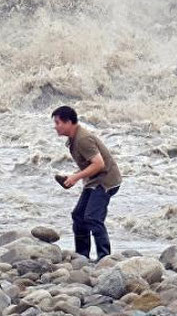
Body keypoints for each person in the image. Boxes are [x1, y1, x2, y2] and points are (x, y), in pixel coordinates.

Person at [52, 105, 122, 261]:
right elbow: (90, 164)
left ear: (69, 122)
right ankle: (82, 256)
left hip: (106, 180)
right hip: (94, 180)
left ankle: (105, 258)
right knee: (78, 215)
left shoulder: (83, 139)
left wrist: (76, 177)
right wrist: (73, 178)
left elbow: (99, 164)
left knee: (93, 218)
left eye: (58, 123)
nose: (55, 127)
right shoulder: (73, 138)